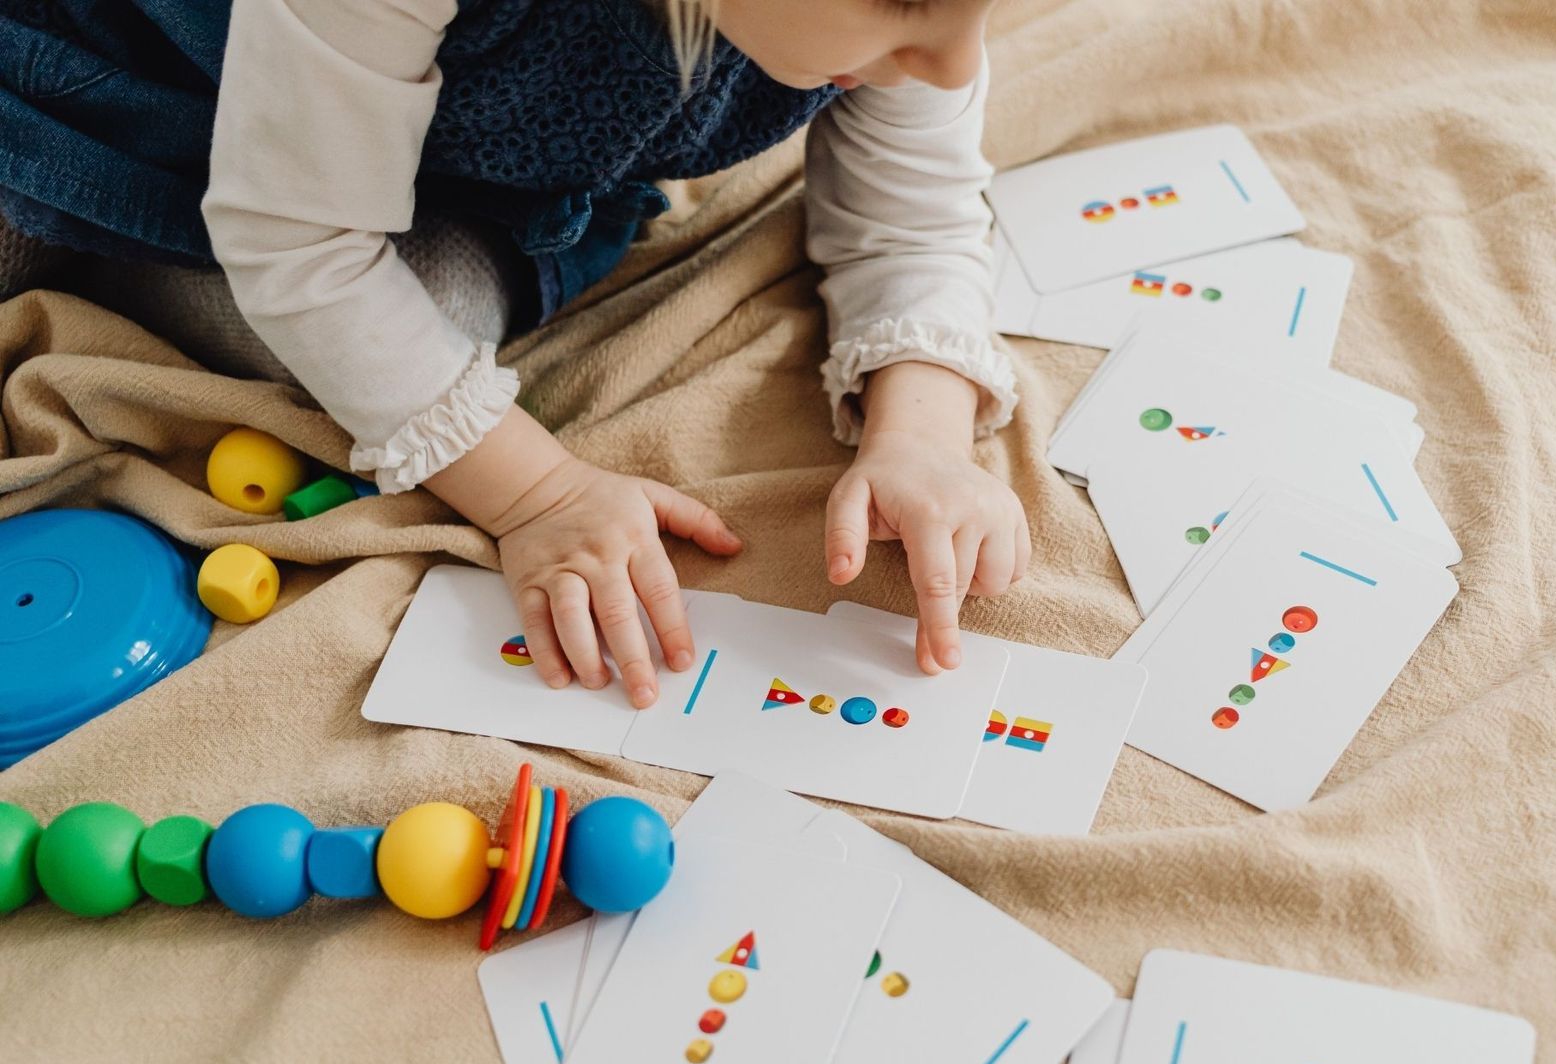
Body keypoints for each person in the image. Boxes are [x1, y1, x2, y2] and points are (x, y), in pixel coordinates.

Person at [0, 0, 1029, 705]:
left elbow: (918, 211)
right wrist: (537, 496)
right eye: (908, 1)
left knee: (438, 312)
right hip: (115, 86)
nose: (959, 62)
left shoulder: (906, 32)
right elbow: (299, 241)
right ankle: (88, 233)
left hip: (449, 159)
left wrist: (925, 434)